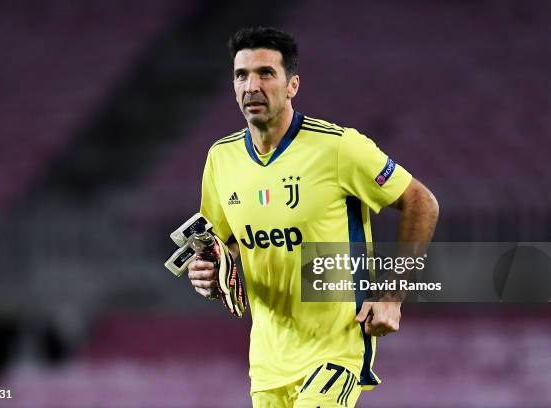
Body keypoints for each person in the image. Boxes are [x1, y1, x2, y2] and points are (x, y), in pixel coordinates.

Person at [187, 26, 439, 408]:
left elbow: (422, 202)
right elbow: (224, 245)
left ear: (292, 85)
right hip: (268, 361)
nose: (251, 86)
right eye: (242, 75)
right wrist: (208, 270)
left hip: (335, 348)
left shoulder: (338, 147)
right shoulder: (221, 160)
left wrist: (391, 295)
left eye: (266, 73)